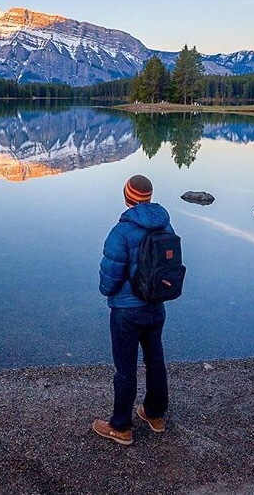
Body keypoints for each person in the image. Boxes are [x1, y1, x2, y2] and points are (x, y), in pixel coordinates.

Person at [92, 174, 173, 446]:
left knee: (125, 368)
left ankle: (121, 427)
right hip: (156, 306)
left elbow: (110, 278)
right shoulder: (166, 225)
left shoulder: (121, 232)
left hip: (126, 311)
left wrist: (107, 290)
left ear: (127, 197)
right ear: (148, 197)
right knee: (155, 360)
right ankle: (155, 415)